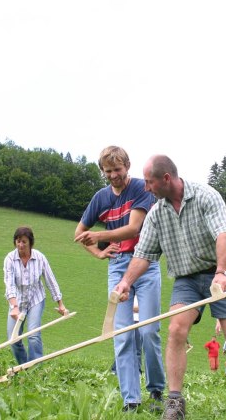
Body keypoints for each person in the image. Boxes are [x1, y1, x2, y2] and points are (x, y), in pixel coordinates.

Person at [112, 155, 226, 419]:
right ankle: (175, 403)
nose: (145, 188)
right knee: (176, 329)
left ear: (166, 179)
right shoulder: (156, 213)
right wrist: (126, 282)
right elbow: (143, 254)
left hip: (221, 274)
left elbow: (223, 236)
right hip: (186, 280)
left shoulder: (206, 196)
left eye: (149, 182)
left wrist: (222, 272)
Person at [74, 146, 165, 412]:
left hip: (145, 262)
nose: (114, 175)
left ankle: (157, 389)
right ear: (103, 171)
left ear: (127, 166)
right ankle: (131, 400)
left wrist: (100, 237)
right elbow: (79, 232)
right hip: (117, 267)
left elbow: (134, 228)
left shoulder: (139, 189)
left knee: (149, 330)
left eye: (118, 169)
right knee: (123, 334)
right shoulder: (100, 198)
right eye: (108, 171)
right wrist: (98, 254)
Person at [3, 226, 68, 365]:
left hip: (35, 299)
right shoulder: (10, 259)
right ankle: (24, 366)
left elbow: (50, 280)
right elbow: (9, 284)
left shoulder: (40, 258)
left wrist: (61, 304)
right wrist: (14, 306)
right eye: (18, 241)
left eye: (24, 242)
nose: (20, 245)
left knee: (33, 335)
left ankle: (35, 368)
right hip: (17, 301)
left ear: (30, 243)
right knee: (13, 339)